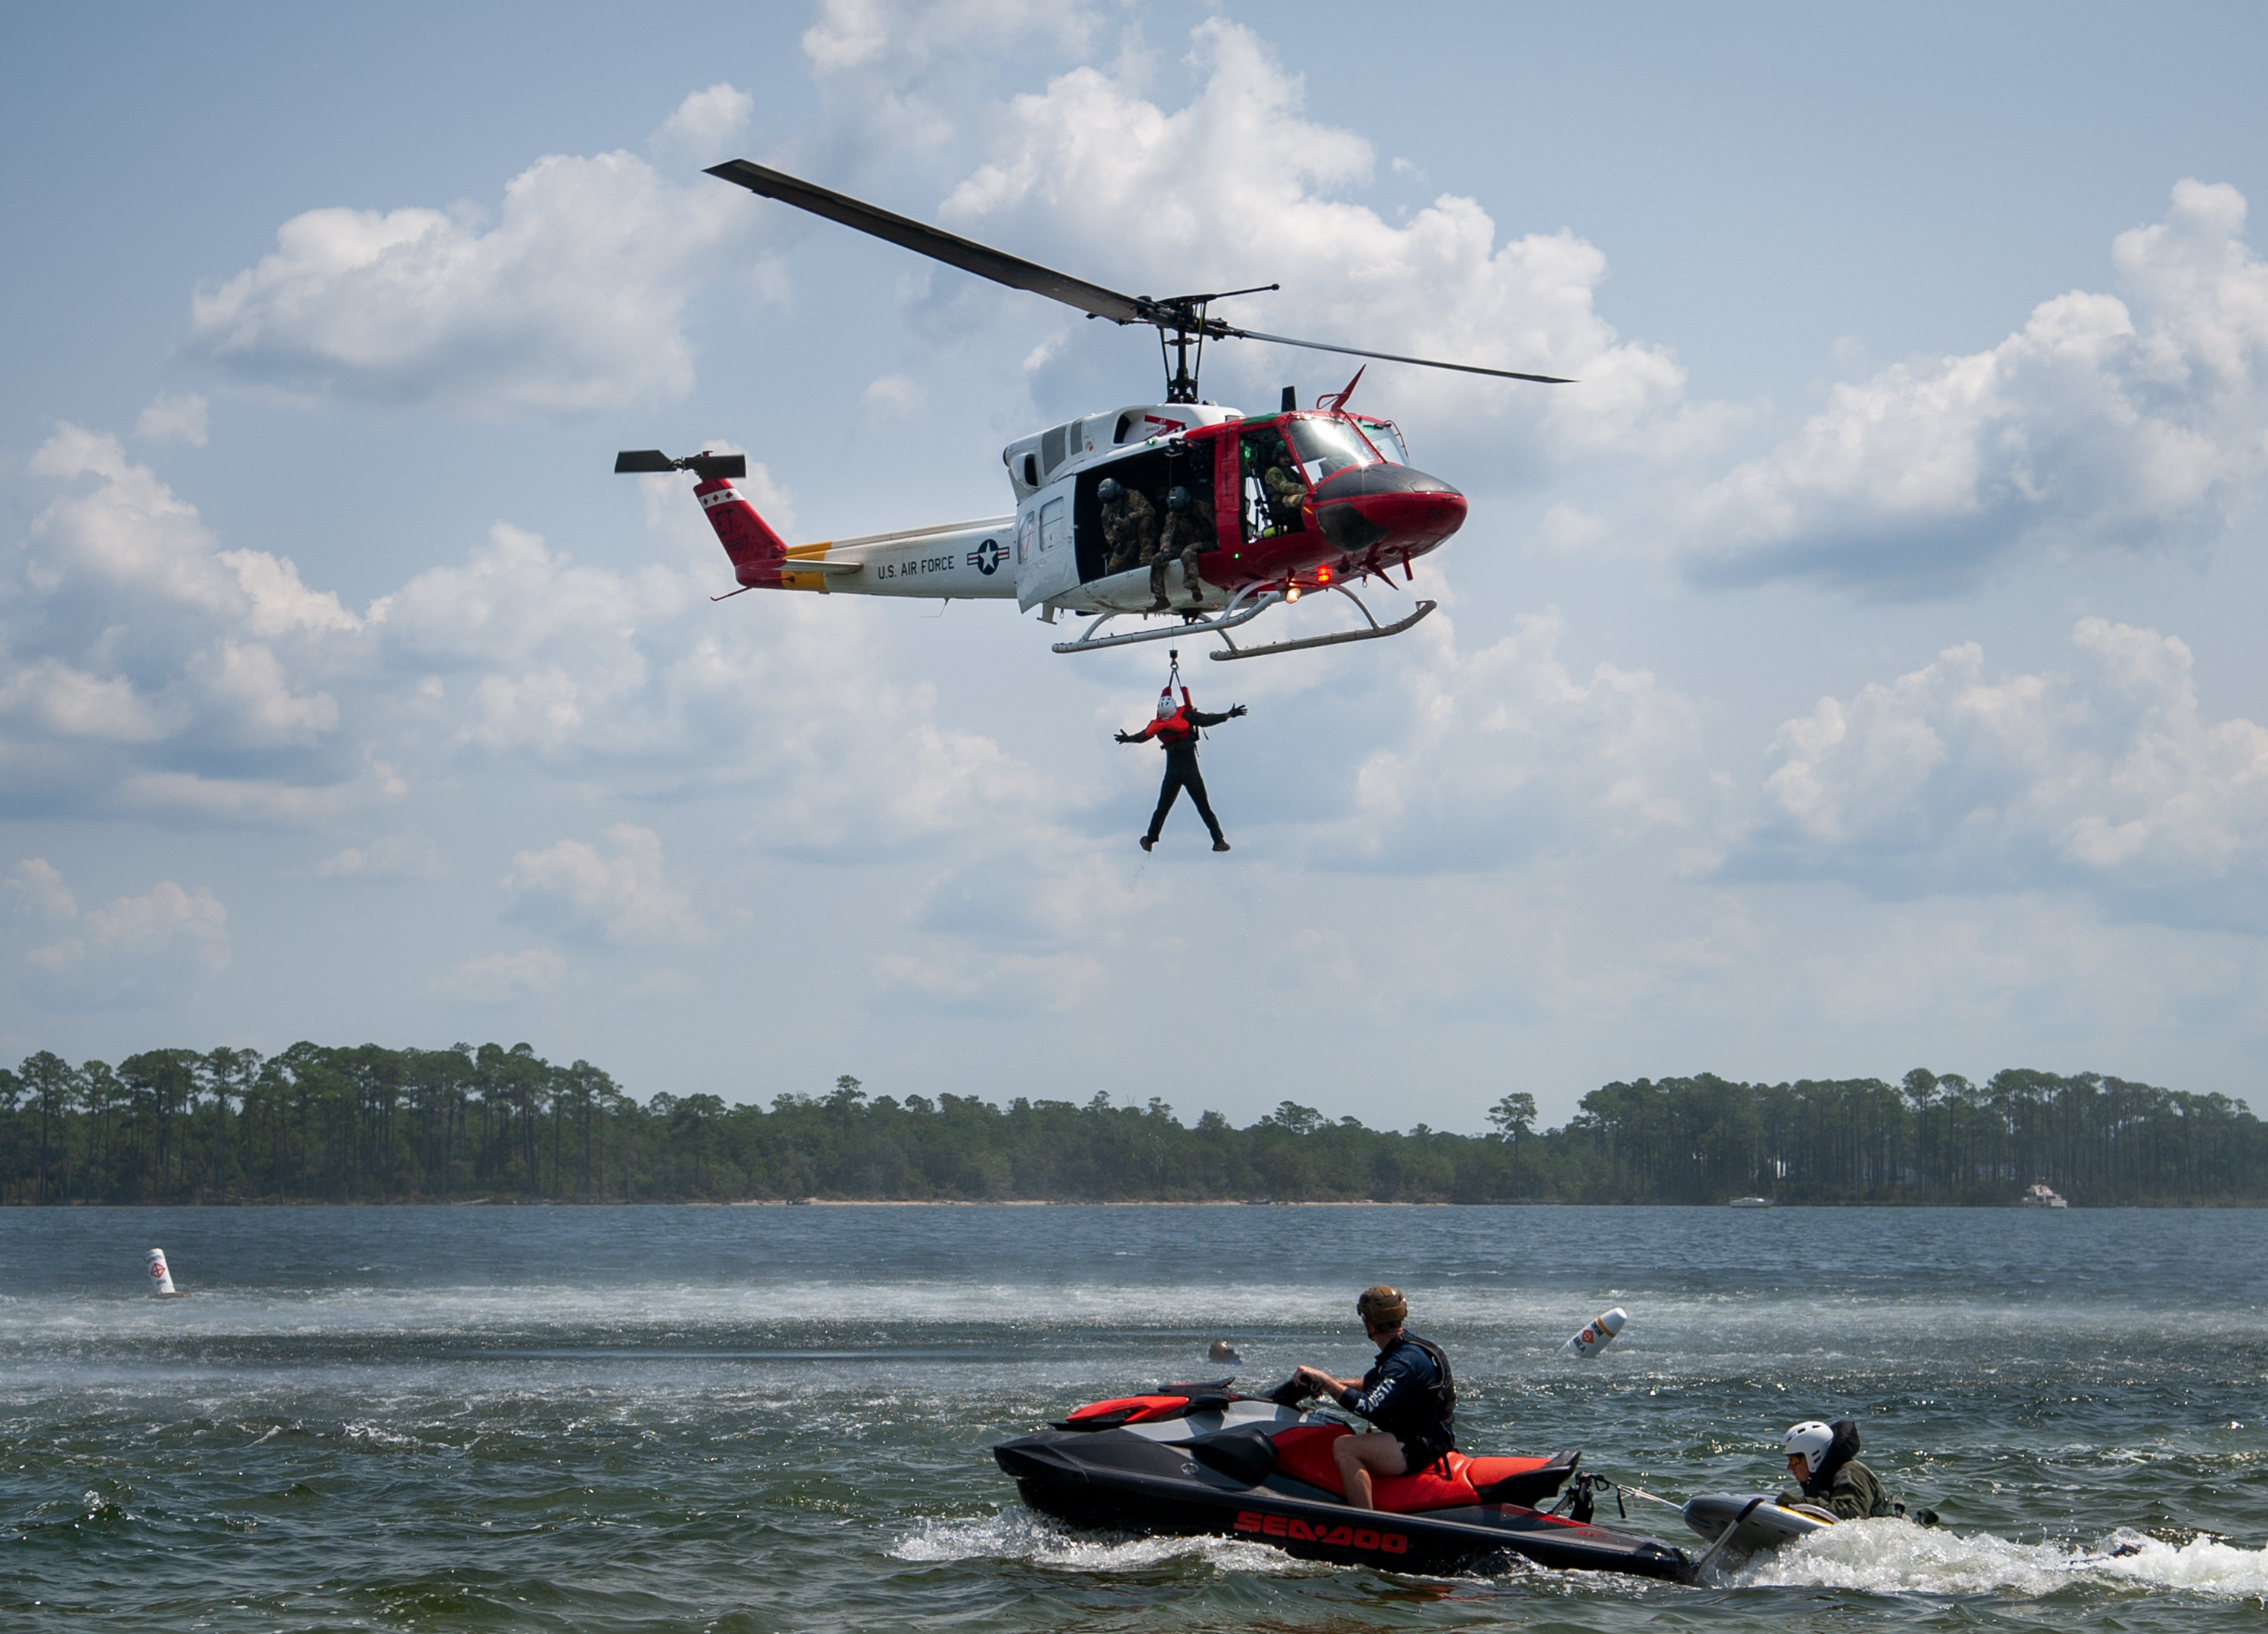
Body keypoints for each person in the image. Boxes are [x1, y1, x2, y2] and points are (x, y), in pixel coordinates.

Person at [1290, 1285, 1456, 1511]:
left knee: (1345, 1447)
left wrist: (1329, 1383)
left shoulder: (1403, 1361)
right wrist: (1323, 1382)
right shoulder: (1406, 1348)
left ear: (1367, 1322)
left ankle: (1364, 1523)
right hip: (1424, 1437)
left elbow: (1369, 1406)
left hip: (1420, 1446)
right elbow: (1375, 1386)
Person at [1116, 685, 1246, 853]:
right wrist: (1228, 715)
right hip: (1190, 772)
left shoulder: (1158, 726)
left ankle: (1150, 840)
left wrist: (1127, 739)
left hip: (1172, 775)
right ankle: (1219, 841)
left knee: (1162, 808)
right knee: (1204, 808)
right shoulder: (1186, 717)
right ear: (1174, 708)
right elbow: (1206, 720)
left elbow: (1142, 737)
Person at [1777, 1419, 1892, 1520]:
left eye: (1794, 1460)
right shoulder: (1819, 1479)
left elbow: (1853, 1516)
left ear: (1814, 1456)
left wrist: (1801, 1503)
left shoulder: (1851, 1472)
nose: (1789, 1467)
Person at [1150, 484, 1215, 611]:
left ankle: (1194, 588)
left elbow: (1215, 524)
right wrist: (1166, 549)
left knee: (1188, 552)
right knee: (1156, 559)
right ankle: (1161, 598)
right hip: (1183, 545)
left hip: (1205, 544)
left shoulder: (1202, 508)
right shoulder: (1173, 516)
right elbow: (1167, 533)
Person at [1097, 476, 1157, 575]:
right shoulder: (1107, 511)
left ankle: (1145, 561)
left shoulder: (1133, 496)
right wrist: (1114, 543)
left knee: (1146, 523)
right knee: (1112, 569)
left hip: (1142, 533)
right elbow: (1108, 530)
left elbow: (1150, 511)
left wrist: (1132, 516)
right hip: (1125, 541)